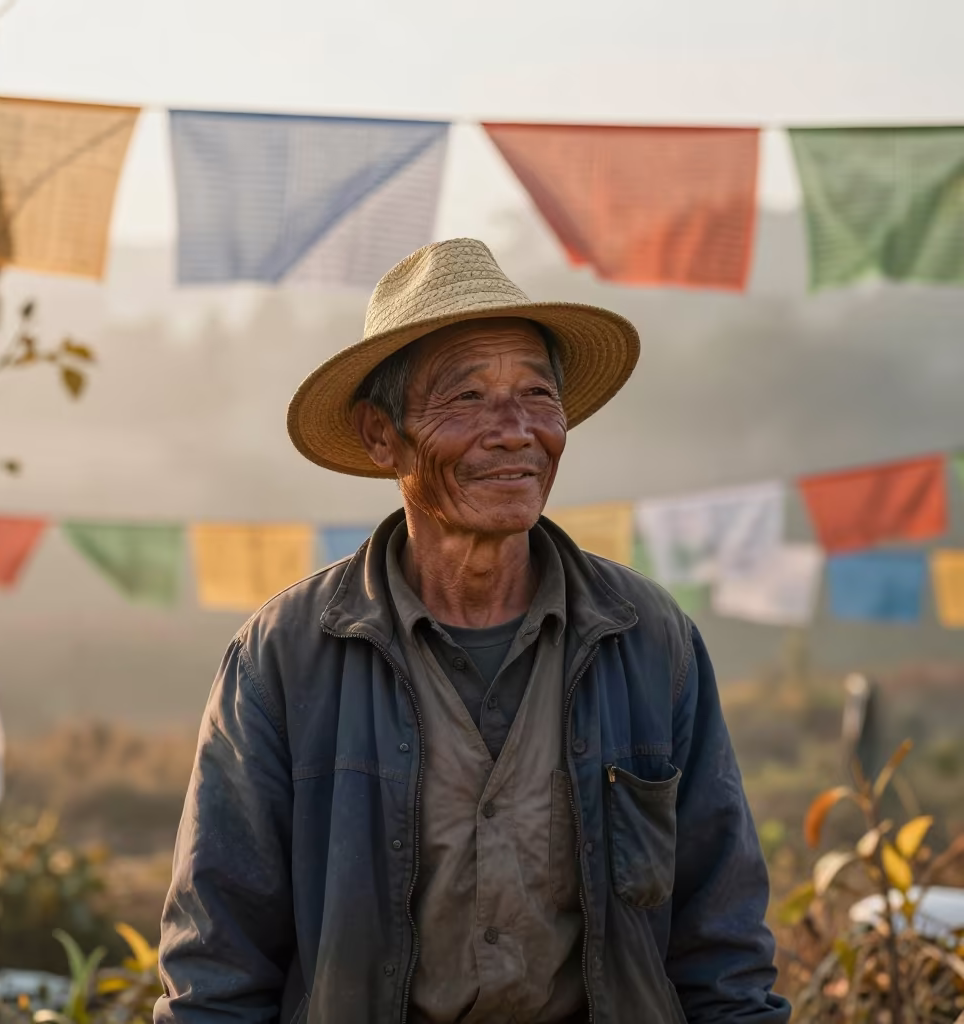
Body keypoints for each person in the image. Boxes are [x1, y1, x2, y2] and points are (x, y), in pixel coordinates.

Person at [156, 238, 790, 1024]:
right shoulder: (286, 657)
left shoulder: (649, 640)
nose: (516, 431)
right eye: (467, 399)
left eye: (536, 395)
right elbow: (217, 965)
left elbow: (721, 946)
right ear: (382, 436)